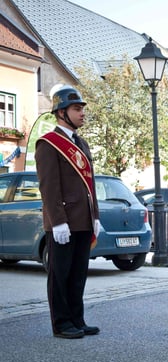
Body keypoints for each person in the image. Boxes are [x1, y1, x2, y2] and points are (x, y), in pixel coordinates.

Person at [35, 85, 101, 339]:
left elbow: (89, 184)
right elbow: (49, 187)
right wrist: (57, 221)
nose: (82, 113)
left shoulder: (81, 143)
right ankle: (61, 323)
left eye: (82, 108)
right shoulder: (48, 144)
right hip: (63, 221)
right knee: (60, 274)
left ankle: (77, 318)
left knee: (77, 273)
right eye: (76, 109)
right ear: (61, 112)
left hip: (83, 219)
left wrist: (95, 216)